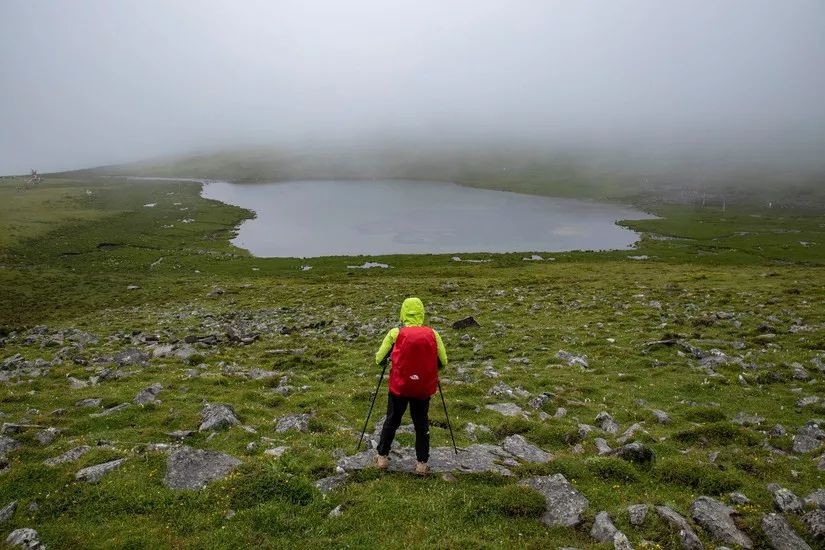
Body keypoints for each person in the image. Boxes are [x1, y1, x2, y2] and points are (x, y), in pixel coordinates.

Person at [373, 297, 448, 475]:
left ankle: (382, 457)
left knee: (392, 420)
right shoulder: (432, 333)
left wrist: (387, 363)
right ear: (421, 313)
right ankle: (421, 463)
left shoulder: (395, 333)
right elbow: (443, 361)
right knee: (421, 424)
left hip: (399, 387)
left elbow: (379, 359)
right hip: (422, 388)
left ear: (403, 312)